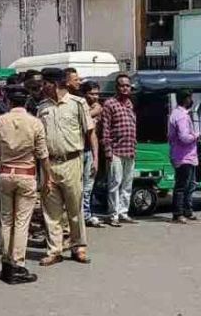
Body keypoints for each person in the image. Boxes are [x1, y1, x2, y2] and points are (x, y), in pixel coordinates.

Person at [0, 85, 45, 284]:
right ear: (26, 102)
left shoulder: (0, 121)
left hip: (5, 174)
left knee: (6, 220)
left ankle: (6, 263)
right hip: (26, 174)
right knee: (21, 223)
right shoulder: (35, 123)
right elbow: (42, 154)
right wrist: (49, 177)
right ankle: (18, 265)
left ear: (8, 101)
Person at [37, 68, 92, 266]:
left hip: (72, 161)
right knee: (51, 211)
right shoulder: (42, 107)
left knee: (74, 208)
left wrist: (95, 159)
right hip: (49, 163)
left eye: (45, 83)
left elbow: (90, 132)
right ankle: (55, 250)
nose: (42, 87)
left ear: (55, 84)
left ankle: (78, 247)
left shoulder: (78, 104)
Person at [103, 74, 138, 227]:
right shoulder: (110, 104)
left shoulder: (130, 104)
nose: (125, 88)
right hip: (115, 150)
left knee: (127, 184)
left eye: (127, 86)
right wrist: (107, 150)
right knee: (114, 183)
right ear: (116, 87)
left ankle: (123, 212)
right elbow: (105, 129)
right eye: (122, 85)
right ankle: (113, 215)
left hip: (129, 149)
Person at [168, 90, 200, 224]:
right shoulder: (180, 116)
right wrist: (197, 135)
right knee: (182, 185)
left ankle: (187, 210)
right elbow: (184, 137)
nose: (191, 100)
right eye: (190, 98)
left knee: (190, 185)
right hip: (183, 156)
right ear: (185, 99)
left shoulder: (179, 114)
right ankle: (178, 213)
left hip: (187, 155)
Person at [80, 80, 104, 228]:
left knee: (89, 185)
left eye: (97, 94)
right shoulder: (80, 106)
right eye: (91, 93)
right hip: (78, 151)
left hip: (90, 150)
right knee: (78, 187)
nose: (95, 97)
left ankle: (86, 213)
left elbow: (94, 134)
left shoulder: (98, 108)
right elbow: (81, 119)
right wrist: (94, 112)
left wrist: (96, 157)